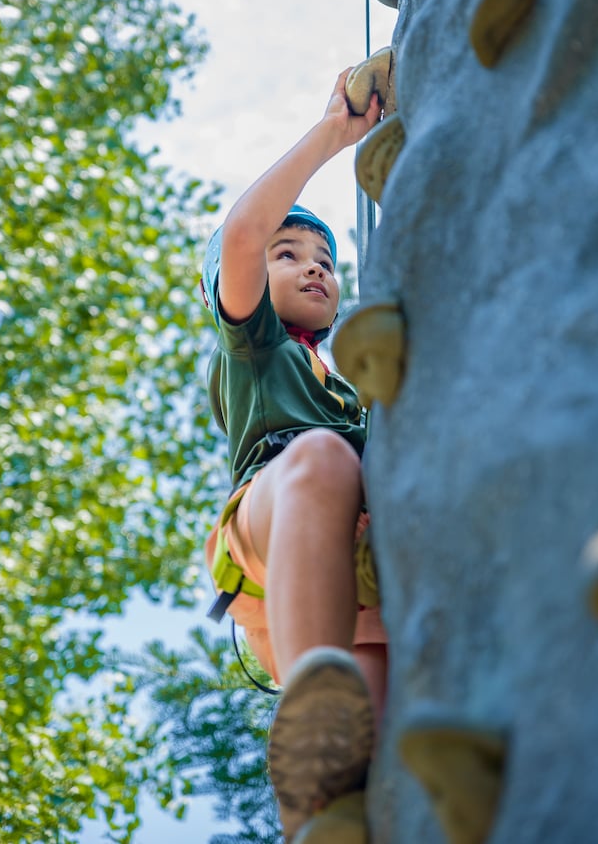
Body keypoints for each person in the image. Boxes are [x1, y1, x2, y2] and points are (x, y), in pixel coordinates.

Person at [201, 69, 387, 842]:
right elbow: (243, 234)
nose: (314, 265)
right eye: (290, 253)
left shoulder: (347, 389)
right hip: (276, 536)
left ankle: (314, 818)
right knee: (320, 460)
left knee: (360, 764)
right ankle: (316, 687)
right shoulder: (255, 348)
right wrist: (333, 137)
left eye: (324, 256)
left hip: (353, 591)